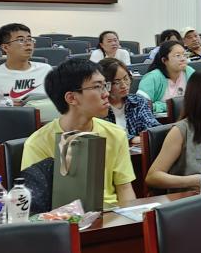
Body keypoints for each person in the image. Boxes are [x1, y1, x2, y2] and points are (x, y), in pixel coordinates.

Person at [21, 58, 136, 207]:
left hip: (111, 215)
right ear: (71, 98)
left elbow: (125, 189)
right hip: (61, 217)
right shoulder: (38, 143)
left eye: (105, 85)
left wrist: (129, 216)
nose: (106, 93)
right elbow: (36, 201)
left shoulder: (116, 134)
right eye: (98, 87)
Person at [0, 23, 53, 106]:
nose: (28, 43)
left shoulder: (46, 70)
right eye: (21, 40)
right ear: (5, 47)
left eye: (30, 39)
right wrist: (2, 106)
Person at [97, 58, 159, 147]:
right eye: (116, 82)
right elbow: (107, 135)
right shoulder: (99, 107)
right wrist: (132, 139)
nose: (124, 85)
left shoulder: (138, 101)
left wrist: (156, 133)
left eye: (126, 78)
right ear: (105, 85)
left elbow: (151, 124)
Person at [136, 40, 195, 114]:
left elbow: (199, 99)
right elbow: (140, 105)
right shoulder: (152, 78)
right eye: (178, 56)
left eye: (184, 55)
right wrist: (169, 106)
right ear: (164, 60)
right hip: (158, 120)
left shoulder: (189, 72)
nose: (183, 59)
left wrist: (159, 106)